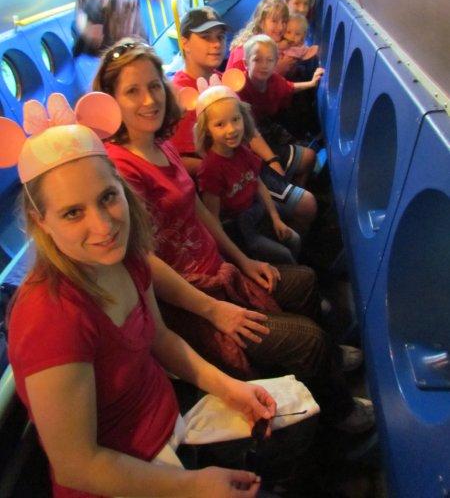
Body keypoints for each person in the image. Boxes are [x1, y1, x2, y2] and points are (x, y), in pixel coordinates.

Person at [2, 93, 278, 498]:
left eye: (107, 197)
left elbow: (161, 339)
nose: (103, 227)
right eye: (73, 213)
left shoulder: (127, 258)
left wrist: (229, 388)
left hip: (173, 432)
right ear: (41, 221)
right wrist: (192, 486)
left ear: (122, 189)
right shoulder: (49, 318)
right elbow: (77, 465)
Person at [93, 39, 373, 432]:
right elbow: (141, 257)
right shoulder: (120, 168)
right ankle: (336, 413)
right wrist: (213, 310)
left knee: (304, 281)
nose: (149, 100)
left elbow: (198, 211)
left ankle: (320, 369)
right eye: (132, 91)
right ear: (111, 101)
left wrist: (243, 261)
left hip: (218, 271)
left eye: (154, 86)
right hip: (189, 298)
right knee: (307, 338)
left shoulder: (161, 146)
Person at [173, 7, 315, 230]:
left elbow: (249, 128)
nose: (216, 44)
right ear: (185, 43)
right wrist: (231, 165)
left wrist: (271, 160)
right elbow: (179, 161)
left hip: (246, 158)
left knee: (308, 158)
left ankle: (280, 222)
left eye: (220, 37)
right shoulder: (181, 95)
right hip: (231, 177)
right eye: (206, 37)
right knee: (307, 205)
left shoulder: (220, 78)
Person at [194, 82, 301, 265]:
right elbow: (214, 218)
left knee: (295, 239)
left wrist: (275, 218)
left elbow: (258, 184)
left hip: (256, 209)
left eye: (235, 119)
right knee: (284, 254)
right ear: (207, 131)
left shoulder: (242, 151)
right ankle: (293, 271)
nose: (231, 129)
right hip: (240, 226)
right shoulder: (210, 169)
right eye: (220, 124)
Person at [239, 34, 324, 197]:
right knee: (308, 156)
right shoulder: (240, 87)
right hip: (248, 138)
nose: (264, 65)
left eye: (269, 60)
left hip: (265, 127)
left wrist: (311, 83)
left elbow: (290, 87)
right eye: (257, 60)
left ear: (275, 62)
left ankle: (296, 190)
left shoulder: (273, 80)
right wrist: (271, 159)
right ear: (246, 63)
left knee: (309, 153)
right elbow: (247, 131)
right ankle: (290, 194)